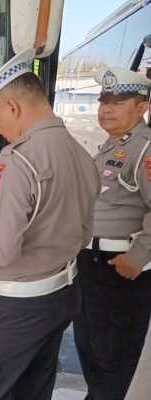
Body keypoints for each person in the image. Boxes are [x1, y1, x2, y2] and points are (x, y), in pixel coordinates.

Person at [0, 49, 100, 399]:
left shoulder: (15, 160)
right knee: (33, 388)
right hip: (63, 295)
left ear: (12, 107)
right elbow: (85, 232)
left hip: (16, 310)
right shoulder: (82, 154)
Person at [72, 66, 151, 400]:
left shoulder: (144, 150)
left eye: (119, 101)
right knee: (90, 350)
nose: (106, 108)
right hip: (91, 263)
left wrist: (136, 258)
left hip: (119, 267)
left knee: (111, 360)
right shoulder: (111, 146)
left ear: (142, 106)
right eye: (104, 99)